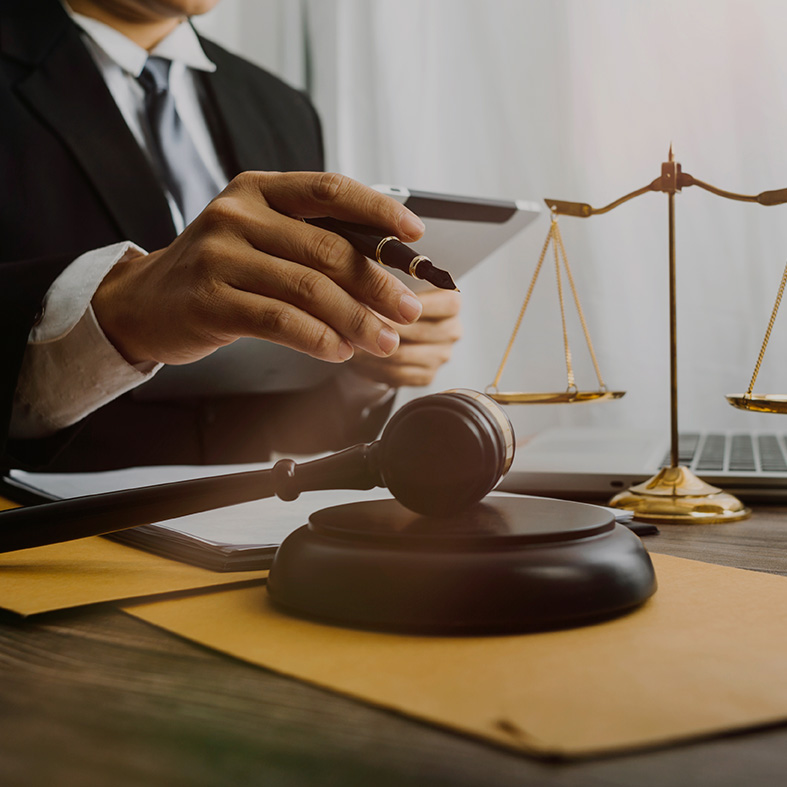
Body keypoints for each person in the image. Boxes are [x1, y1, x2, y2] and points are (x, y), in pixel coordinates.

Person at [0, 0, 462, 471]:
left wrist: (361, 369)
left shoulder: (283, 108)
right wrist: (119, 313)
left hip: (247, 520)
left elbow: (286, 427)